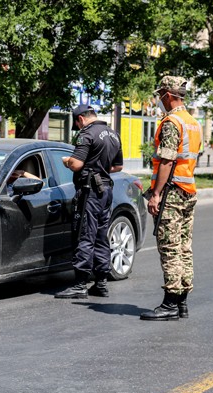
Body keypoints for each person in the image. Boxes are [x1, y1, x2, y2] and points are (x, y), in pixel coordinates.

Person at [140, 76, 202, 321]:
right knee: (184, 247)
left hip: (172, 193)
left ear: (168, 94)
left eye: (160, 95)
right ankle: (182, 302)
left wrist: (156, 194)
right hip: (188, 191)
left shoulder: (172, 122)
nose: (159, 100)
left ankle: (169, 304)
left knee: (169, 247)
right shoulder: (192, 122)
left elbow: (167, 160)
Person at [54, 104, 123, 299]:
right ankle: (101, 282)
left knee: (85, 234)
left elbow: (77, 164)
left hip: (90, 191)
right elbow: (118, 166)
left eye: (77, 124)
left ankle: (80, 284)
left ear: (80, 119)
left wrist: (67, 160)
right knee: (101, 235)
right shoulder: (113, 134)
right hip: (106, 190)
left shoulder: (86, 134)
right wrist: (100, 169)